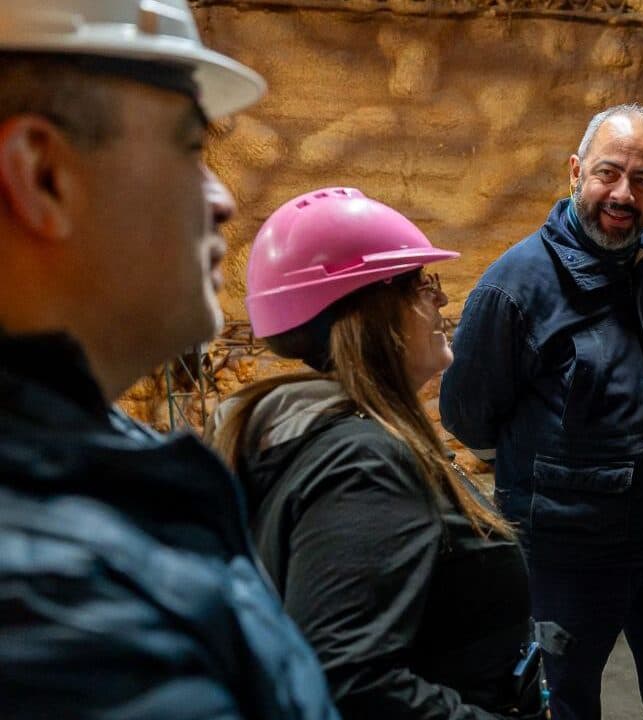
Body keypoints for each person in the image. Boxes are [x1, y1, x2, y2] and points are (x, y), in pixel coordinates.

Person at [0, 2, 339, 718]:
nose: (224, 199)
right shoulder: (61, 618)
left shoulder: (101, 471)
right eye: (191, 147)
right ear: (43, 175)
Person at [440, 104, 643, 720]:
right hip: (568, 553)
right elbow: (469, 416)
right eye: (609, 173)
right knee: (557, 705)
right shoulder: (516, 286)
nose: (623, 193)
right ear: (576, 171)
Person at [208, 187, 545, 720]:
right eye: (419, 284)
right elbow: (350, 684)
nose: (440, 300)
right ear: (368, 311)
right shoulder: (363, 464)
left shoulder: (323, 435)